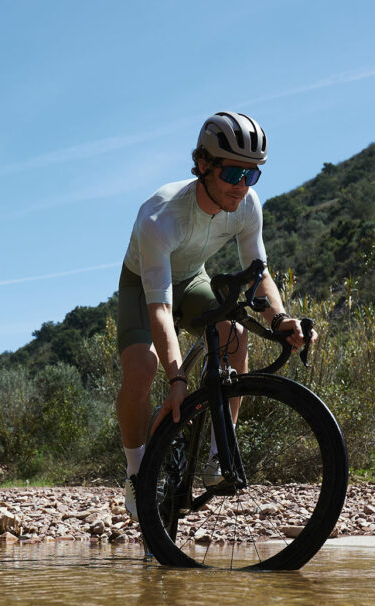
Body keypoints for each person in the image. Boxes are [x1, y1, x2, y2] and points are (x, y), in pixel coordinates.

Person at [115, 111, 311, 520]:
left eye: (252, 176)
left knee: (235, 335)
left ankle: (218, 458)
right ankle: (136, 473)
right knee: (142, 367)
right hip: (144, 283)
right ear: (203, 165)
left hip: (193, 277)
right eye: (234, 174)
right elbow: (161, 309)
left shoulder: (246, 205)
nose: (242, 187)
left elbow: (260, 275)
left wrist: (281, 320)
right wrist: (177, 377)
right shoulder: (159, 216)